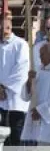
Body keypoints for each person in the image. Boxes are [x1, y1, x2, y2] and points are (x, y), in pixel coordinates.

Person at [0, 13, 29, 146]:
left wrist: (4, 87)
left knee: (16, 133)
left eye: (4, 28)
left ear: (9, 27)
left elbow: (21, 70)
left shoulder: (21, 45)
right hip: (1, 96)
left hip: (15, 96)